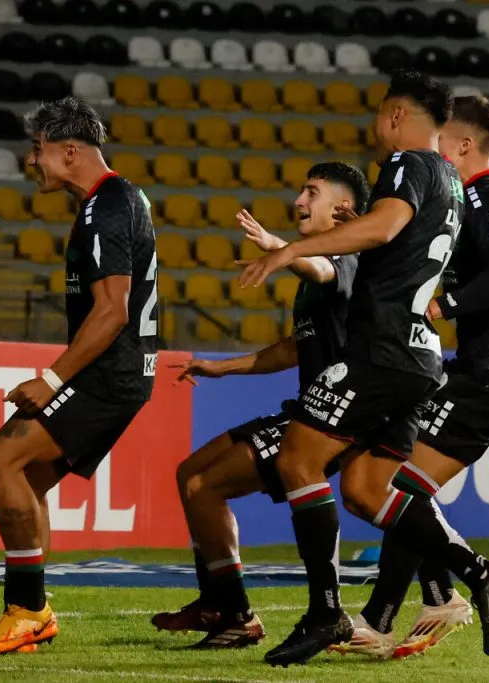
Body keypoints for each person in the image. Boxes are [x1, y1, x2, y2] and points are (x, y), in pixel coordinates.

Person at [239, 69, 489, 666]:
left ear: (394, 115)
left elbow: (386, 225)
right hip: (421, 357)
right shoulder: (449, 178)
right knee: (366, 490)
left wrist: (292, 248)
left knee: (297, 458)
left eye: (379, 113)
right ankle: (479, 571)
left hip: (382, 350)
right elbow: (405, 243)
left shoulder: (406, 163)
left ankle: (324, 612)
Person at [0, 96, 159, 656]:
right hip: (119, 370)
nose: (30, 161)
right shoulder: (115, 200)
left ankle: (28, 611)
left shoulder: (106, 206)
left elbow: (112, 311)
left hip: (108, 373)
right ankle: (28, 613)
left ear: (70, 151)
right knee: (27, 480)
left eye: (37, 149)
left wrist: (51, 378)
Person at [334, 95, 489, 660]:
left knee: (398, 487)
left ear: (464, 144)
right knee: (405, 489)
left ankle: (397, 613)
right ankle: (432, 599)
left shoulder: (486, 192)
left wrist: (448, 305)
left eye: (442, 139)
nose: (434, 148)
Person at [149, 162, 370, 649]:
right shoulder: (313, 276)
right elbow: (296, 348)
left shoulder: (349, 254)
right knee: (190, 474)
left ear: (344, 208)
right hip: (306, 411)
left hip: (330, 421)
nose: (298, 200)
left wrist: (280, 249)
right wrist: (222, 367)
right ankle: (216, 603)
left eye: (311, 191)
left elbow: (322, 266)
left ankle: (238, 615)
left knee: (206, 486)